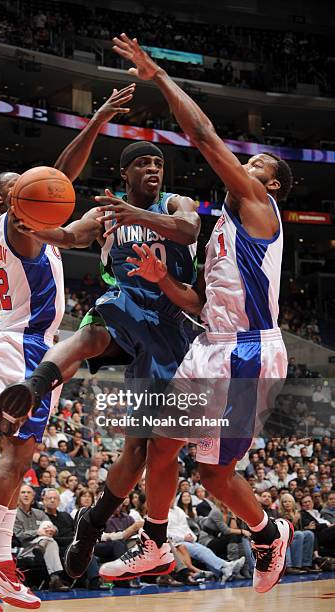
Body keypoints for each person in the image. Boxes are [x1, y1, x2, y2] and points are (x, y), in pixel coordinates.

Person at [103, 33, 294, 593]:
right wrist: (164, 281)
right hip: (210, 342)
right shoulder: (223, 229)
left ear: (271, 185)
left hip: (246, 352)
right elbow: (202, 306)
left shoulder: (260, 208)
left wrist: (157, 76)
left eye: (255, 165)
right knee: (162, 444)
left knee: (213, 474)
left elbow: (204, 135)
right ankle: (156, 544)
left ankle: (266, 531)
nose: (244, 168)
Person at [0, 85, 201, 586]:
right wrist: (35, 229)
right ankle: (37, 383)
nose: (154, 169)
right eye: (144, 163)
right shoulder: (107, 212)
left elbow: (188, 231)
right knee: (95, 328)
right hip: (127, 304)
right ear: (126, 174)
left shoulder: (178, 202)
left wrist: (138, 217)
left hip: (173, 324)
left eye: (158, 163)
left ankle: (91, 524)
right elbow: (70, 235)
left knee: (140, 452)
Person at [0, 85, 137, 609]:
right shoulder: (19, 222)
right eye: (23, 185)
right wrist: (96, 119)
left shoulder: (20, 232)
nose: (38, 186)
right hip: (23, 345)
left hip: (26, 342)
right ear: (7, 200)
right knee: (17, 456)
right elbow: (61, 176)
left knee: (18, 457)